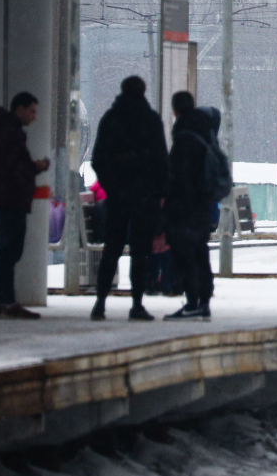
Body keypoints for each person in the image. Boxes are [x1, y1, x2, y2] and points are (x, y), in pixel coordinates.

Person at [90, 76, 168, 321]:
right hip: (144, 198)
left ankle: (100, 303)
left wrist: (111, 186)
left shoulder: (110, 119)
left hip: (117, 197)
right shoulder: (151, 120)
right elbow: (161, 161)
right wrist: (159, 193)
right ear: (144, 91)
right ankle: (136, 303)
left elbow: (98, 159)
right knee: (140, 252)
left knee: (111, 249)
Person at [0, 92, 50, 319]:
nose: (34, 117)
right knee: (8, 253)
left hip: (6, 201)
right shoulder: (10, 134)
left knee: (7, 252)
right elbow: (10, 168)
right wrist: (35, 167)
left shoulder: (2, 132)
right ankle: (6, 301)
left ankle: (5, 300)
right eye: (31, 111)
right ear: (19, 110)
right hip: (10, 202)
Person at [163, 92, 219, 321]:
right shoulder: (205, 131)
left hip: (184, 207)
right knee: (200, 252)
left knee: (184, 254)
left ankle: (193, 301)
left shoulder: (184, 135)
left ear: (175, 110)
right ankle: (203, 301)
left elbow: (177, 175)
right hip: (203, 205)